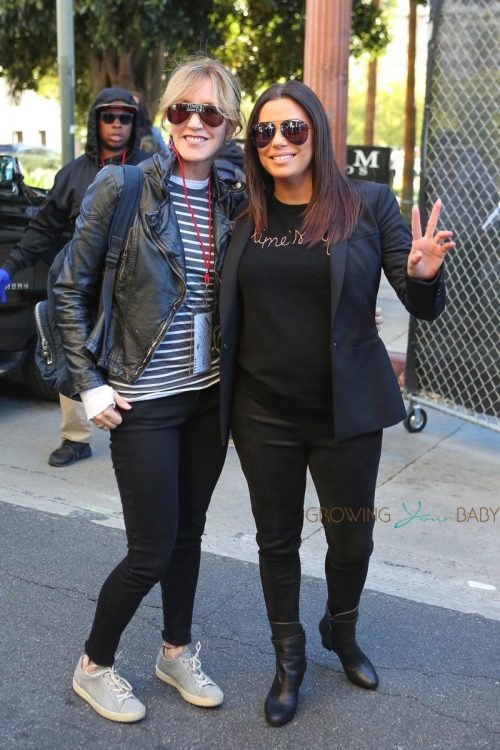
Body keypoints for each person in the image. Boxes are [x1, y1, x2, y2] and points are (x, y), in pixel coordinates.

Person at [219, 81, 454, 727]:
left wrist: (427, 272)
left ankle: (340, 630)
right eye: (264, 132)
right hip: (263, 413)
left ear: (317, 133)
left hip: (344, 414)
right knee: (278, 540)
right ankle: (288, 656)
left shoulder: (368, 205)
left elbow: (418, 298)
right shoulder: (246, 219)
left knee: (352, 538)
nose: (278, 142)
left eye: (293, 128)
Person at [53, 56, 244, 722]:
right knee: (151, 548)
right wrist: (91, 386)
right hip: (141, 400)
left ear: (229, 123)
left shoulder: (236, 196)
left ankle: (174, 650)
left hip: (208, 398)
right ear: (166, 118)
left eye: (211, 112)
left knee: (188, 535)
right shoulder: (123, 185)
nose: (196, 122)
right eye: (183, 110)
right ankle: (94, 665)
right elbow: (67, 287)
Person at [0, 87, 149, 467]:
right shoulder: (73, 174)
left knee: (136, 360)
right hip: (78, 288)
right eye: (109, 116)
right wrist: (8, 268)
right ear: (95, 121)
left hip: (135, 288)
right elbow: (42, 230)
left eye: (125, 117)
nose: (117, 124)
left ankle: (145, 435)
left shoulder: (153, 168)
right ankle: (75, 437)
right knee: (72, 354)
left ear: (135, 123)